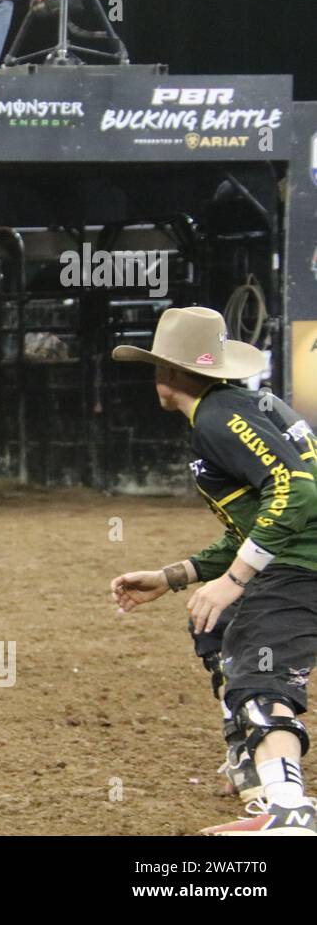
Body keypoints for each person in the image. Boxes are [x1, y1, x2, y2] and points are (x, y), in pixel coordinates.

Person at [109, 306, 317, 835]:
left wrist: (233, 581)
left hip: (300, 565)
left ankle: (289, 810)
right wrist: (174, 575)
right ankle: (252, 768)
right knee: (217, 625)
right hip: (296, 558)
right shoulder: (239, 408)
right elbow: (256, 519)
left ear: (170, 372)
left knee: (259, 679)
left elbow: (297, 491)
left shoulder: (219, 419)